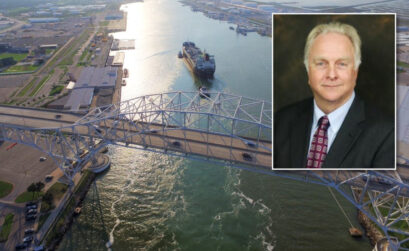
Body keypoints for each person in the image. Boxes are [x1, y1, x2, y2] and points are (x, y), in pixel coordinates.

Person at [274, 22, 394, 169]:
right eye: (321, 63)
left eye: (342, 64)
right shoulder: (281, 122)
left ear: (355, 72)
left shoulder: (387, 135)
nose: (331, 74)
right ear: (308, 71)